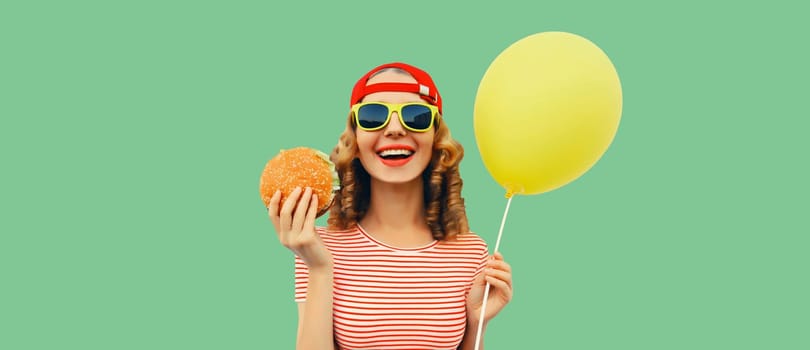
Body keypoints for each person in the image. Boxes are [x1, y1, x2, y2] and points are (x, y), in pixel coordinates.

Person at [268, 62, 513, 350]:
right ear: (355, 140)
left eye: (416, 116)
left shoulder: (470, 251)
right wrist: (320, 269)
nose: (395, 129)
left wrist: (477, 324)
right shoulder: (317, 248)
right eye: (374, 116)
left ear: (435, 138)